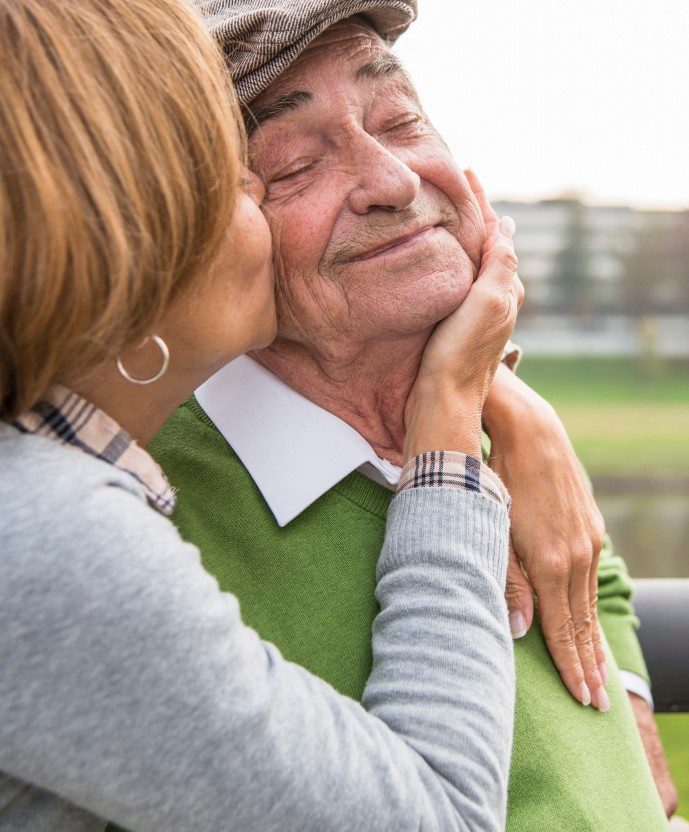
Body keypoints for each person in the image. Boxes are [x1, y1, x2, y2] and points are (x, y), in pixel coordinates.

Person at [0, 1, 527, 830]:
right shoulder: (46, 535)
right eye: (262, 177)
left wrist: (499, 403)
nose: (392, 183)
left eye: (403, 120)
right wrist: (451, 440)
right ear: (124, 246)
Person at [150, 3, 676, 830]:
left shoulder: (479, 397)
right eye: (291, 167)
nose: (394, 182)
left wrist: (634, 733)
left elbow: (589, 565)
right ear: (200, 234)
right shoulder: (145, 513)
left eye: (400, 119)